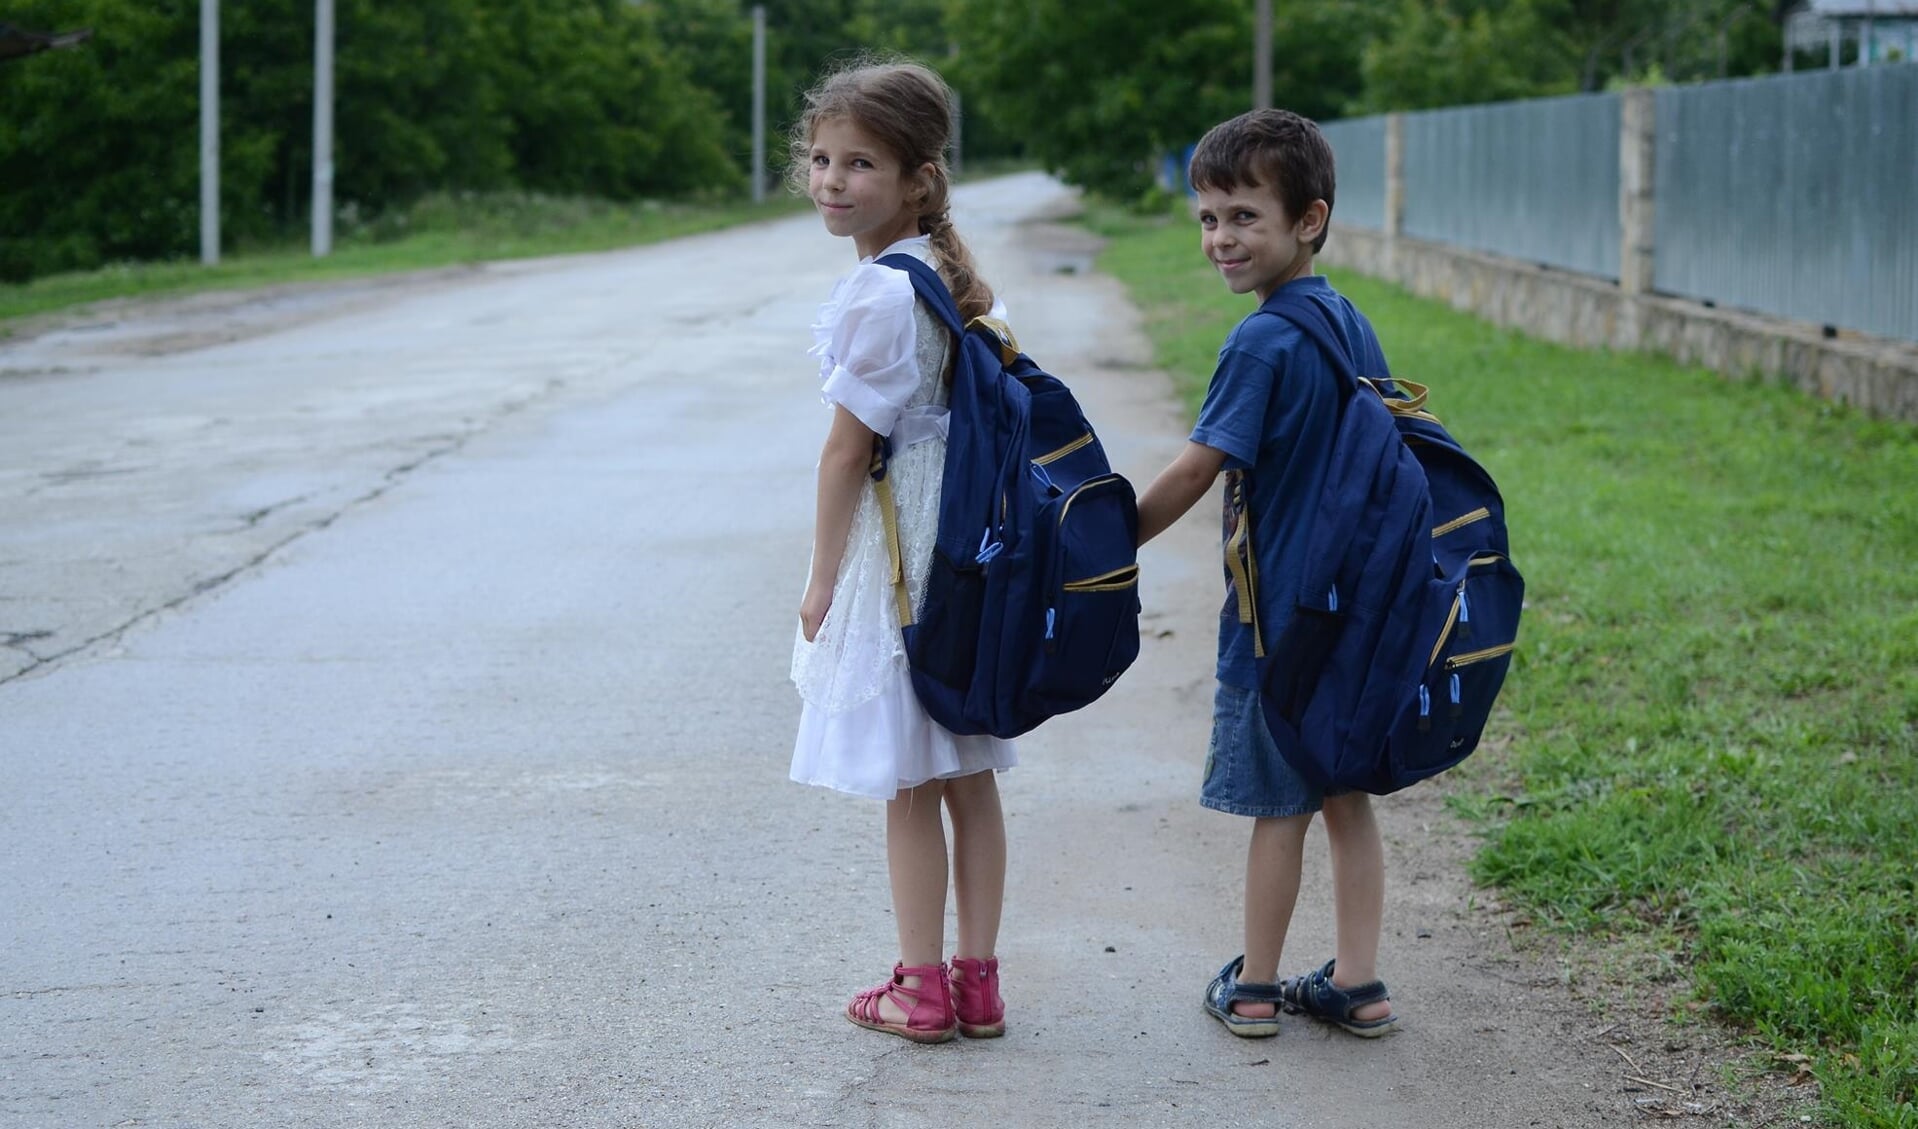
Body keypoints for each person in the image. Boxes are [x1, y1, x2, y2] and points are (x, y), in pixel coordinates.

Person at [1133, 108, 1400, 1040]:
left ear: (1308, 219)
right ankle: (1359, 986)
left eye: (1244, 216)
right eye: (1208, 217)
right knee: (1344, 796)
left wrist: (1109, 538)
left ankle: (1254, 987)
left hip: (1278, 617)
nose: (1220, 239)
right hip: (1357, 609)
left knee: (1280, 804)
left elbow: (1199, 465)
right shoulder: (1347, 322)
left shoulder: (1261, 341)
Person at [786, 60, 1013, 1046]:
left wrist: (822, 578)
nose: (832, 181)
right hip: (963, 554)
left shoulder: (880, 293)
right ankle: (978, 982)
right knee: (969, 774)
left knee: (911, 781)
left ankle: (919, 986)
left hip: (901, 563)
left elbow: (846, 454)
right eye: (821, 160)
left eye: (859, 163)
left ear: (918, 178)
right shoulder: (947, 279)